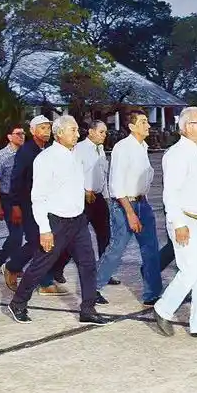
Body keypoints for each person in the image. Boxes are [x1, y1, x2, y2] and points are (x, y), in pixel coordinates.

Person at [7, 115, 107, 326]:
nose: (77, 134)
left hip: (78, 221)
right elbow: (38, 197)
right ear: (59, 133)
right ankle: (18, 303)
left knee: (88, 264)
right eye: (73, 130)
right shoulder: (46, 159)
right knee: (40, 265)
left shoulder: (75, 154)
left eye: (77, 130)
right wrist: (45, 230)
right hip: (56, 223)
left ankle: (88, 309)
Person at [152, 107, 197, 339]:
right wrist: (178, 224)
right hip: (187, 222)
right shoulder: (176, 154)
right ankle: (163, 309)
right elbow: (170, 193)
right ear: (187, 127)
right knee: (190, 271)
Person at [94, 110, 162, 305]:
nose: (148, 125)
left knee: (151, 249)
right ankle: (93, 288)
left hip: (142, 203)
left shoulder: (143, 147)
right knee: (117, 249)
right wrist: (130, 213)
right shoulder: (122, 148)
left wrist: (142, 206)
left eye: (147, 121)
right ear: (132, 127)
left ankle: (152, 294)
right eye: (143, 122)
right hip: (124, 205)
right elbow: (117, 185)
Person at [1, 115, 66, 295]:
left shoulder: (48, 150)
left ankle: (42, 279)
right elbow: (16, 179)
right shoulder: (26, 151)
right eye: (42, 128)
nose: (47, 132)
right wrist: (15, 205)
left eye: (48, 128)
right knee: (38, 241)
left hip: (46, 203)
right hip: (28, 204)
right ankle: (15, 267)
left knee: (48, 241)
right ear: (33, 131)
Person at [73, 120, 120, 284]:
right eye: (101, 132)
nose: (104, 135)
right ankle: (55, 270)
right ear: (91, 132)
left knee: (105, 235)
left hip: (98, 197)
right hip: (83, 198)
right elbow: (74, 173)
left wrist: (106, 197)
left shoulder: (100, 149)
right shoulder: (79, 149)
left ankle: (104, 272)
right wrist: (84, 191)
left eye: (105, 132)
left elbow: (102, 175)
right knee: (73, 236)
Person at [0, 124, 25, 267]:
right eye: (18, 134)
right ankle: (7, 261)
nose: (22, 136)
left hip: (23, 198)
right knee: (16, 234)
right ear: (10, 137)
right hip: (8, 199)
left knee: (22, 234)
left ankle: (9, 262)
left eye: (23, 133)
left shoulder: (25, 153)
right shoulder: (1, 156)